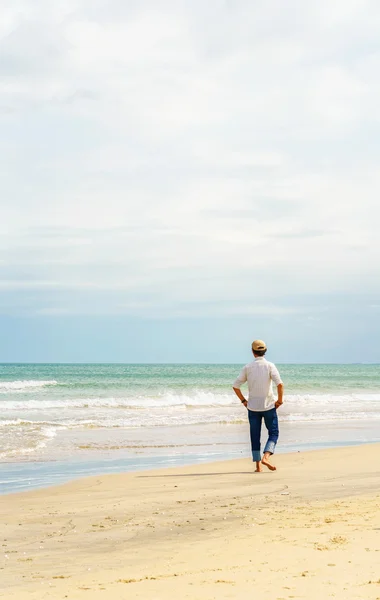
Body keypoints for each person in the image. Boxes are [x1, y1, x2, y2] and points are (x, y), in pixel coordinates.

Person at [232, 340, 284, 472]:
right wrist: (279, 401)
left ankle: (258, 466)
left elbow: (236, 386)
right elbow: (280, 384)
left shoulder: (248, 367)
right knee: (274, 433)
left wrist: (244, 401)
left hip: (253, 407)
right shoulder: (270, 366)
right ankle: (266, 456)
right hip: (268, 406)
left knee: (254, 435)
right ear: (265, 351)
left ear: (252, 351)